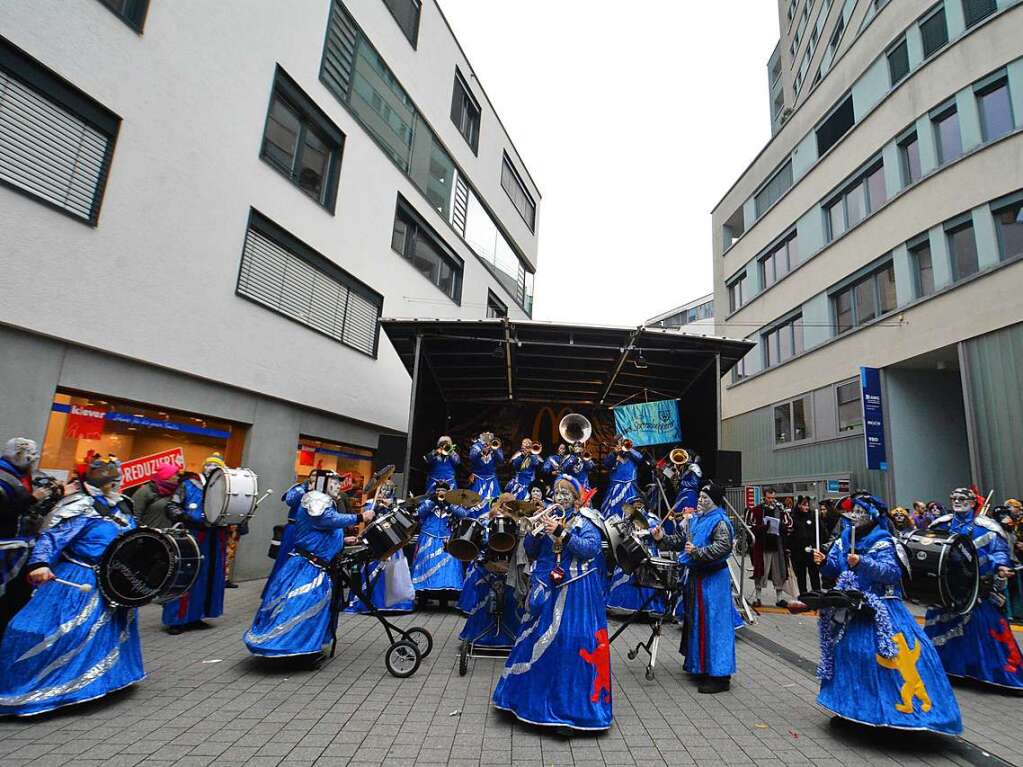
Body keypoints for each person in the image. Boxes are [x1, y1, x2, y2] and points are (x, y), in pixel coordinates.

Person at [0, 456, 145, 716]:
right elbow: (51, 537)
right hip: (79, 577)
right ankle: (42, 687)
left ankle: (101, 681)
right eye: (112, 480)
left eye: (116, 479)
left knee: (108, 631)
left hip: (114, 578)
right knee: (49, 630)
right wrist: (39, 564)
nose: (116, 483)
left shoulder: (124, 505)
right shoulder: (79, 505)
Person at [809, 493, 962, 735]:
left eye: (861, 513)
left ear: (872, 516)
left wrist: (862, 562)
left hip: (880, 607)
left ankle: (897, 712)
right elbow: (836, 569)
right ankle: (850, 709)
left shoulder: (884, 541)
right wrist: (824, 561)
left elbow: (891, 573)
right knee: (849, 656)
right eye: (853, 513)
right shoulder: (843, 539)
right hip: (850, 608)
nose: (855, 517)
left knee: (886, 658)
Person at [492, 475, 612, 731]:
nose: (560, 498)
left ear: (577, 498)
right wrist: (534, 533)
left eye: (566, 493)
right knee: (535, 639)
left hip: (576, 589)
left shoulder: (587, 519)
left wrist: (561, 532)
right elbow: (533, 552)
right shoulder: (548, 515)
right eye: (557, 493)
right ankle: (525, 701)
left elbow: (591, 550)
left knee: (570, 644)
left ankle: (568, 711)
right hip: (546, 586)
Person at [245, 489, 372, 658]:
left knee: (313, 608)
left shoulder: (323, 502)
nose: (337, 486)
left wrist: (342, 540)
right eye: (334, 482)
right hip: (307, 568)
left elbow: (321, 532)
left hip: (317, 567)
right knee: (301, 606)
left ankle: (307, 646)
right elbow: (328, 520)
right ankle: (289, 648)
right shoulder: (314, 501)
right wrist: (360, 517)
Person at [924, 488, 1023, 690]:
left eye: (963, 499)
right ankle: (947, 669)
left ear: (973, 502)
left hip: (977, 590)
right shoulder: (940, 524)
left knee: (984, 627)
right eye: (954, 498)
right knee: (940, 626)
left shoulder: (988, 528)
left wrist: (1001, 566)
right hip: (946, 589)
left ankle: (990, 673)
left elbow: (999, 552)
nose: (958, 502)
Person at [653, 482, 735, 693]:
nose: (700, 500)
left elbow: (723, 547)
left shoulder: (721, 521)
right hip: (698, 578)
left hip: (714, 580)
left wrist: (698, 552)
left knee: (714, 625)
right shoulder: (696, 519)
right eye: (699, 496)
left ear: (715, 500)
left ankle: (720, 675)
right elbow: (681, 541)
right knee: (698, 622)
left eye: (705, 497)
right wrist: (662, 539)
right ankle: (700, 666)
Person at [161, 459, 229, 634]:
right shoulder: (188, 485)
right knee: (185, 575)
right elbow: (171, 506)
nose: (210, 468)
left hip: (213, 538)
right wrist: (186, 517)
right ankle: (176, 619)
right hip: (191, 536)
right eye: (207, 464)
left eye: (215, 465)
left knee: (208, 577)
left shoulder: (224, 488)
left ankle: (196, 615)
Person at [457, 494, 524, 649]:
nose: (507, 506)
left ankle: (509, 637)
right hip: (489, 565)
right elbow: (479, 539)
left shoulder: (520, 519)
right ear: (499, 503)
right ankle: (479, 636)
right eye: (504, 503)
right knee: (485, 599)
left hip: (510, 567)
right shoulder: (486, 517)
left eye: (511, 504)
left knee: (511, 599)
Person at [345, 479, 415, 614]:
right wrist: (376, 507)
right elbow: (368, 521)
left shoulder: (398, 503)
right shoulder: (371, 503)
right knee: (372, 570)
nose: (384, 492)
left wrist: (391, 506)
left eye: (387, 489)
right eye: (382, 489)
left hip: (394, 542)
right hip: (375, 542)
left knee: (395, 571)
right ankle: (370, 602)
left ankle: (395, 604)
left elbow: (404, 520)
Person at [0, 438, 44, 640]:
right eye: (29, 457)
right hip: (6, 547)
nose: (33, 461)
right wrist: (34, 498)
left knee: (13, 599)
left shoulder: (23, 476)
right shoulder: (4, 478)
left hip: (19, 546)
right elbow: (5, 512)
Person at [410, 481, 468, 604]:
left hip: (446, 538)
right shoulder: (429, 501)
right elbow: (420, 513)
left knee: (446, 570)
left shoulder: (453, 502)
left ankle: (444, 600)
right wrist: (432, 502)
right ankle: (422, 598)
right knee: (425, 566)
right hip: (428, 536)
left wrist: (449, 504)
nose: (440, 493)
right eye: (438, 491)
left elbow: (463, 515)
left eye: (443, 492)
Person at [606, 497, 664, 615]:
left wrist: (652, 532)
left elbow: (661, 537)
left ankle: (648, 608)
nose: (638, 507)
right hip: (630, 550)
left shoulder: (653, 519)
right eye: (635, 506)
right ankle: (622, 605)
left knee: (648, 573)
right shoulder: (627, 519)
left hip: (647, 551)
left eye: (640, 505)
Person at [746, 488, 794, 607]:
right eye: (769, 498)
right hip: (763, 545)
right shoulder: (757, 510)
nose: (771, 500)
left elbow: (790, 523)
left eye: (773, 498)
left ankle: (779, 598)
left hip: (777, 545)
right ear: (764, 497)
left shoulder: (780, 510)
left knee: (779, 572)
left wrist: (781, 526)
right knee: (761, 572)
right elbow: (749, 525)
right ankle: (758, 598)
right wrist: (762, 527)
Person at [600, 437, 643, 520]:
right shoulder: (614, 452)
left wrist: (629, 449)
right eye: (620, 442)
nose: (622, 444)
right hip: (615, 485)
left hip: (630, 485)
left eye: (623, 442)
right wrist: (614, 453)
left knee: (631, 510)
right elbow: (606, 464)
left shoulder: (633, 453)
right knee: (612, 509)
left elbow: (640, 458)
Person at [995, 499, 1023, 621]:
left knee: (1015, 590)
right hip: (1002, 565)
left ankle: (1017, 613)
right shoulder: (995, 532)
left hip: (1014, 563)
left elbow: (1014, 542)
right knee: (1004, 591)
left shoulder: (1011, 531)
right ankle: (1009, 614)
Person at [131, 462, 180, 529]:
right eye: (176, 475)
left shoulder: (175, 493)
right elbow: (134, 515)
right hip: (146, 536)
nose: (178, 477)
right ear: (166, 475)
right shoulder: (145, 491)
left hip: (162, 537)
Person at [788, 496, 821, 594]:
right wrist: (790, 547)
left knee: (814, 573)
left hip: (812, 550)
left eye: (807, 505)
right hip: (798, 551)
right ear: (798, 505)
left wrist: (817, 545)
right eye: (804, 505)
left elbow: (821, 531)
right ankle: (803, 594)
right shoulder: (793, 518)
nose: (806, 507)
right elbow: (790, 534)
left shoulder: (813, 516)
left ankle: (817, 592)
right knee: (801, 574)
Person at [468, 432, 504, 503]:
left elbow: (501, 459)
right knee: (476, 501)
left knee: (494, 501)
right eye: (485, 435)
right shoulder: (476, 446)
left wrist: (495, 450)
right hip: (478, 479)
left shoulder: (495, 446)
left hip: (492, 479)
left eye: (489, 436)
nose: (488, 436)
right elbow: (472, 458)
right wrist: (481, 452)